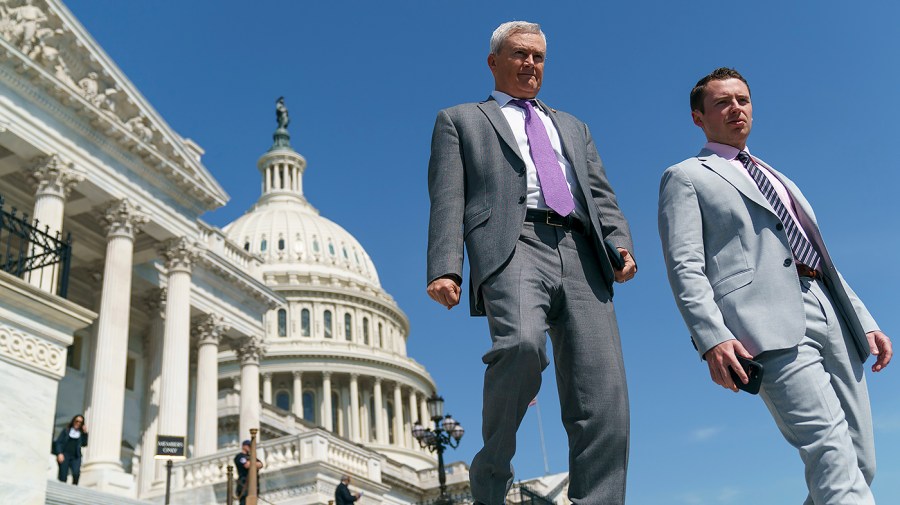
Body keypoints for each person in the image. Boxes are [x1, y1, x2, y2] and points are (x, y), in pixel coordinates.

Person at [658, 67, 892, 504]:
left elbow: (820, 254)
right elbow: (684, 264)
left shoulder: (781, 178)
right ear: (698, 117)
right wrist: (711, 338)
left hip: (830, 312)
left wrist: (864, 319)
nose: (736, 109)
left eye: (743, 100)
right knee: (829, 450)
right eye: (723, 102)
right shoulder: (686, 176)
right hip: (764, 323)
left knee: (860, 462)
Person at [426, 20, 636, 505]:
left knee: (604, 397)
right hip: (512, 243)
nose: (531, 64)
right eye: (520, 54)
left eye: (539, 57)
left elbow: (600, 194)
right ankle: (492, 470)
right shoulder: (460, 119)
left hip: (583, 252)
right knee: (521, 346)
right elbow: (446, 197)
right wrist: (445, 266)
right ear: (493, 62)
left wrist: (619, 242)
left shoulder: (573, 126)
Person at [53, 414, 88, 485]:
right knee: (63, 476)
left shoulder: (81, 434)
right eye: (77, 421)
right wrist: (59, 453)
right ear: (73, 421)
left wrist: (85, 433)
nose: (78, 423)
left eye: (80, 422)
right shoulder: (66, 431)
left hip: (76, 457)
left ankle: (74, 488)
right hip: (64, 455)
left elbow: (84, 444)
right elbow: (58, 442)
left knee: (76, 474)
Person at [234, 439, 263, 505]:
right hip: (244, 484)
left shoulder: (252, 457)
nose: (250, 448)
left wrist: (252, 463)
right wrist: (254, 464)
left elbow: (261, 464)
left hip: (254, 484)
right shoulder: (239, 456)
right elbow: (246, 465)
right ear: (244, 446)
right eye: (249, 446)